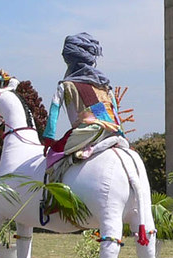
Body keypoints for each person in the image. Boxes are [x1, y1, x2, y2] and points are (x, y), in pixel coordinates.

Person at [42, 32, 126, 162]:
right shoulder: (104, 86)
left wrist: (49, 138)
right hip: (111, 132)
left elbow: (54, 112)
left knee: (53, 157)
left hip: (86, 133)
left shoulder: (65, 85)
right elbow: (113, 114)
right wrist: (121, 134)